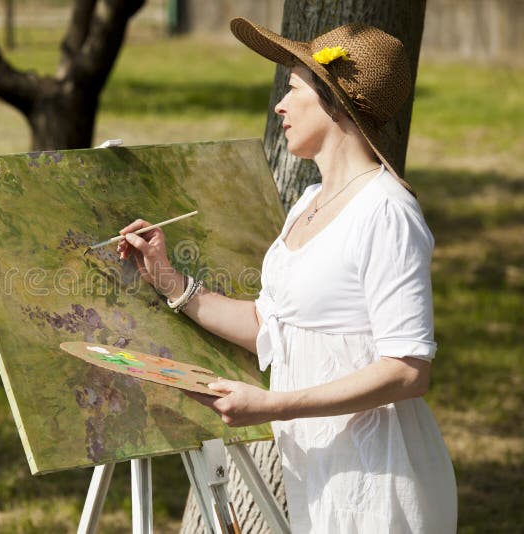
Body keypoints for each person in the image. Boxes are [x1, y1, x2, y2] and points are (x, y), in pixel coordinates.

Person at [116, 18, 458, 533]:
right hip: (319, 470)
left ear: (334, 102)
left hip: (376, 478)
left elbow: (408, 370)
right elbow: (271, 326)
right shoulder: (308, 203)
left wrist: (273, 405)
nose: (279, 105)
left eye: (293, 88)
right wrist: (169, 282)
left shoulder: (386, 212)